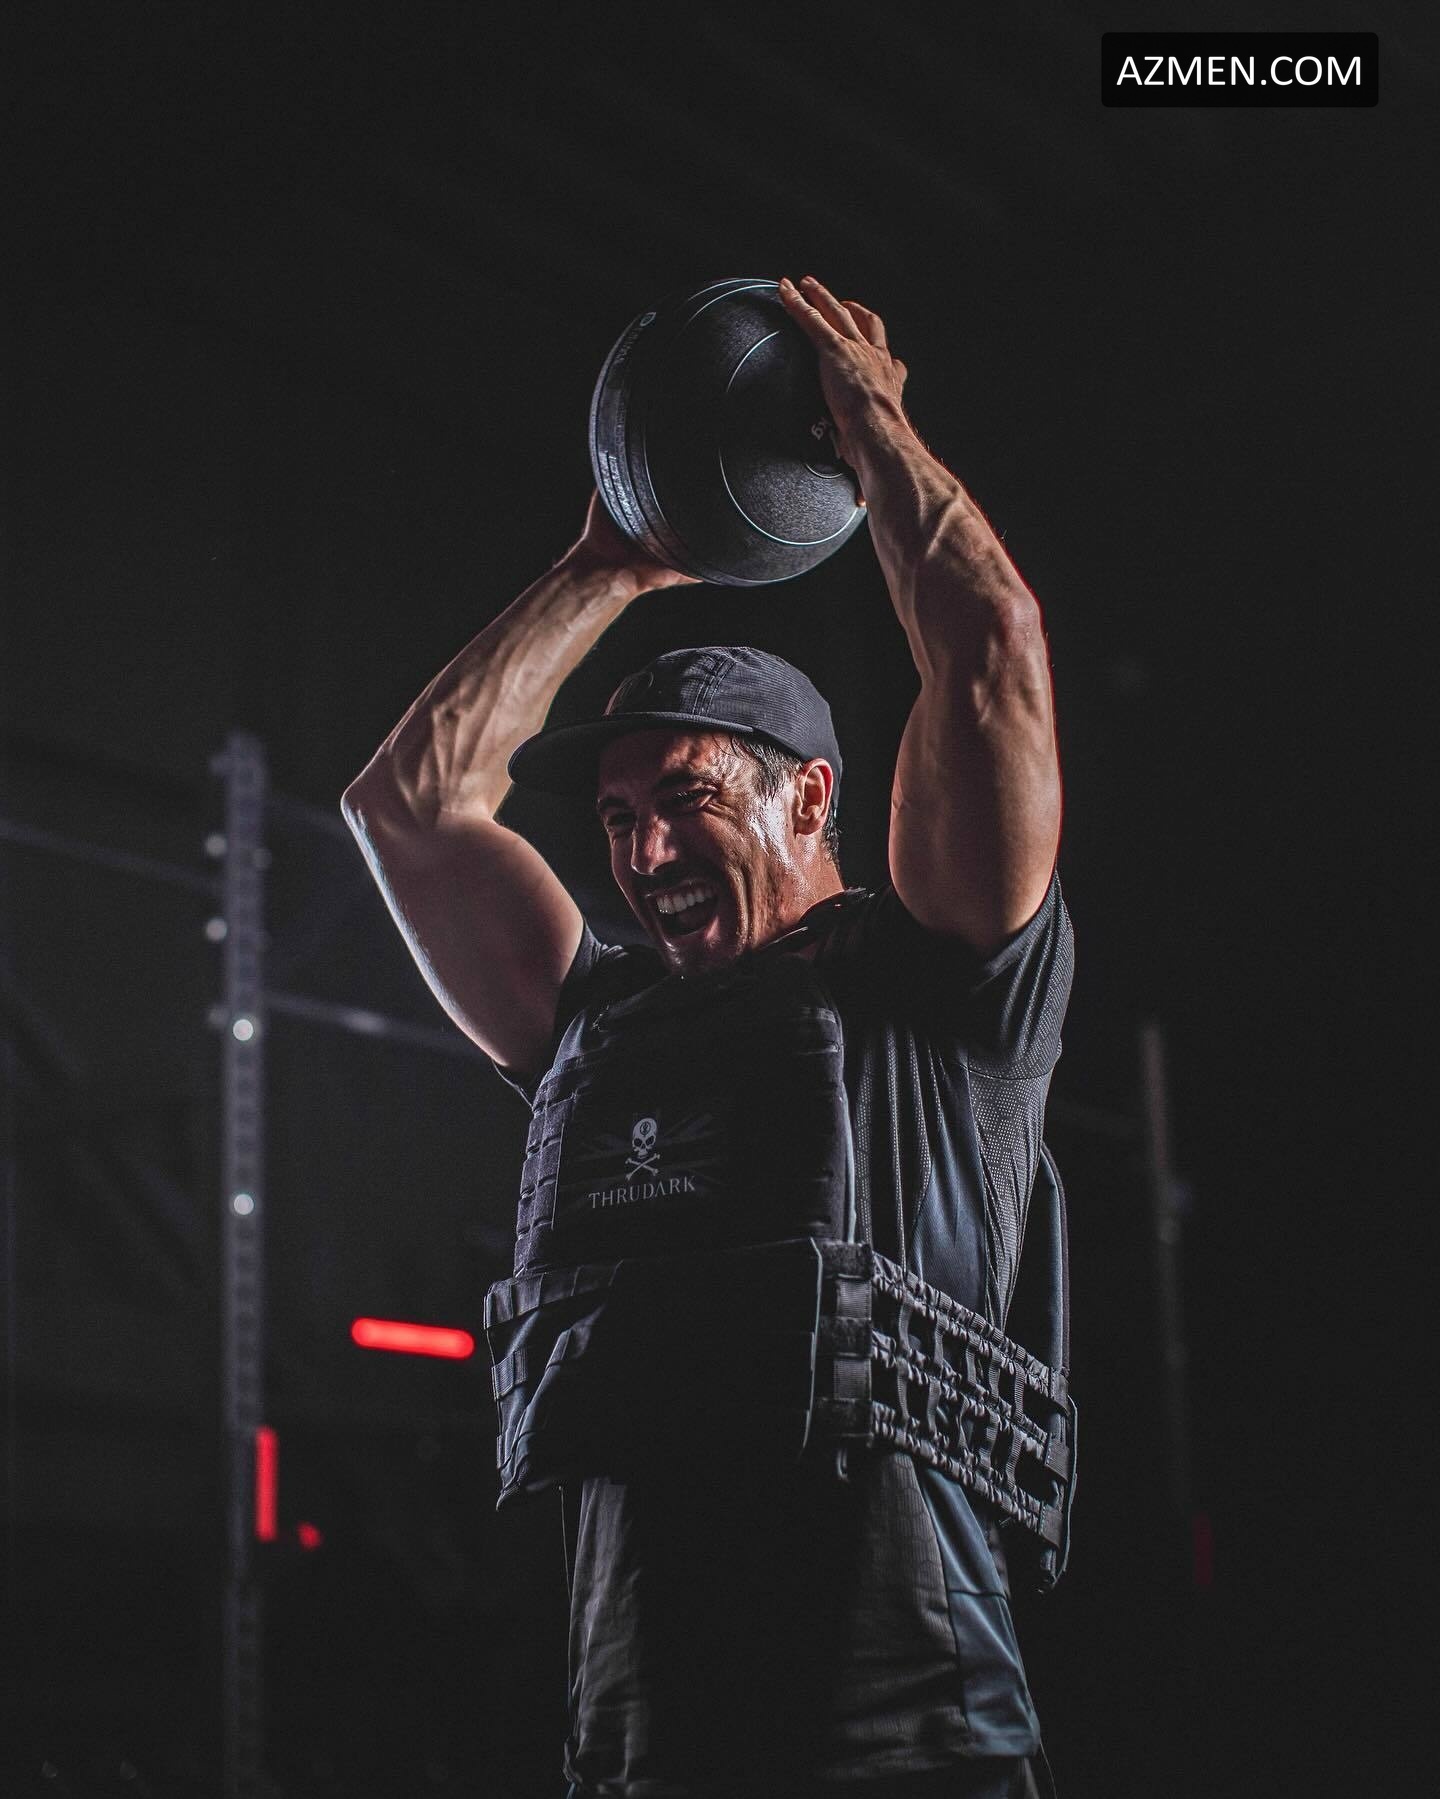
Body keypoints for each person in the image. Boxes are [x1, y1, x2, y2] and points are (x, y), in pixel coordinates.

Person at [342, 276, 1072, 1799]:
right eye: (617, 819)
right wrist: (607, 563)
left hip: (902, 1746)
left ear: (810, 797)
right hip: (641, 1754)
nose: (645, 851)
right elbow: (406, 807)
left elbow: (990, 643)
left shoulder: (931, 984)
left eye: (687, 799)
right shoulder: (594, 1025)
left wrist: (871, 430)